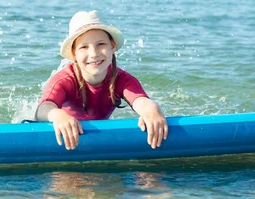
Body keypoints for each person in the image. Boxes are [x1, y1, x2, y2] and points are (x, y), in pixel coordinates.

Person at [35, 10, 167, 150]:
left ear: (112, 46)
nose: (94, 54)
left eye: (101, 44)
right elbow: (43, 109)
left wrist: (151, 109)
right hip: (68, 134)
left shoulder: (121, 79)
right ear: (74, 54)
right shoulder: (64, 80)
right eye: (84, 47)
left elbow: (140, 101)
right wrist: (58, 115)